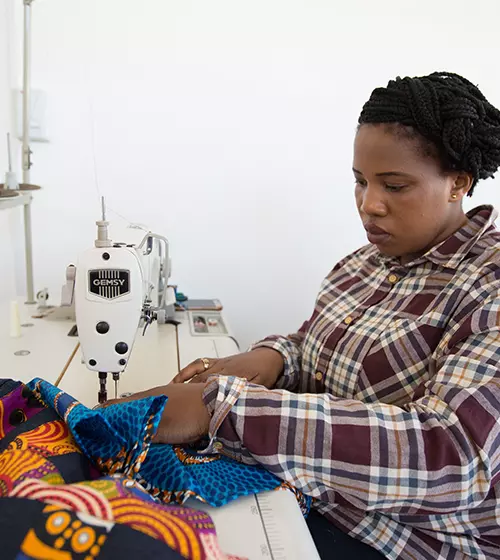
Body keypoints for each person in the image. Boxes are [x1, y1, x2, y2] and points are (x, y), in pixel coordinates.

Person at [109, 72, 500, 559]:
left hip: (409, 541)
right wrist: (273, 358)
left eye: (394, 186)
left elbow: (450, 458)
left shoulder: (488, 285)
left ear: (458, 183)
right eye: (359, 181)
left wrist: (220, 410)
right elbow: (315, 348)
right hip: (315, 499)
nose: (368, 205)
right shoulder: (360, 267)